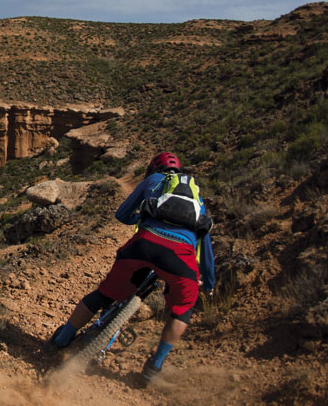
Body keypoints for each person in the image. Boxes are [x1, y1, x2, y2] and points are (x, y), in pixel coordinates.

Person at [49, 151, 215, 386]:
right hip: (181, 259)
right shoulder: (197, 200)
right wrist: (208, 283)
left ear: (152, 169)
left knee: (104, 294)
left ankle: (62, 339)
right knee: (181, 312)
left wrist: (139, 220)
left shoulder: (153, 181)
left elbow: (122, 213)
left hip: (143, 245)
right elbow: (205, 244)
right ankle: (154, 367)